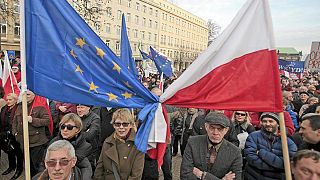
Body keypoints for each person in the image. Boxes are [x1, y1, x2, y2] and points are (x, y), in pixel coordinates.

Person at [180, 112, 243, 180]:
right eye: (212, 128)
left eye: (220, 129)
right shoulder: (193, 143)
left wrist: (203, 175)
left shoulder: (235, 152)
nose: (215, 133)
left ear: (226, 130)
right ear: (206, 127)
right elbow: (185, 175)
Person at [244, 112, 297, 180]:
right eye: (264, 121)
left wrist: (261, 152)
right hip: (255, 176)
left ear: (278, 123)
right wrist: (277, 166)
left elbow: (289, 163)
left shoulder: (287, 141)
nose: (267, 124)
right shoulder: (253, 136)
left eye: (271, 121)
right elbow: (251, 159)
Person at [94, 108, 145, 179]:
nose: (121, 127)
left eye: (125, 124)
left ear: (130, 125)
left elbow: (136, 176)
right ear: (113, 125)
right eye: (118, 124)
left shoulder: (138, 145)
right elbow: (99, 170)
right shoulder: (107, 142)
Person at [12, 90, 50, 177]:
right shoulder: (20, 106)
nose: (26, 96)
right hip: (23, 142)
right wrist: (15, 133)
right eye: (24, 94)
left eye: (28, 94)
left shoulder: (40, 105)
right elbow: (15, 121)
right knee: (29, 166)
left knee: (37, 167)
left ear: (34, 95)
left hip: (37, 143)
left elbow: (47, 121)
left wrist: (33, 120)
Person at [49, 113, 92, 179]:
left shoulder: (85, 146)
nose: (65, 130)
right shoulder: (53, 142)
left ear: (77, 129)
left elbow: (86, 168)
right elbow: (44, 163)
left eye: (69, 127)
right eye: (63, 127)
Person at [0, 93, 23, 179]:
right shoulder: (4, 108)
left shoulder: (19, 109)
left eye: (10, 100)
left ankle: (19, 169)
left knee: (18, 153)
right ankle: (11, 166)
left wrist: (14, 132)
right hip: (4, 134)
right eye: (7, 99)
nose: (8, 101)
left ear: (15, 100)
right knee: (9, 151)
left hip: (15, 134)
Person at [76, 104, 101, 170]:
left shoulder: (95, 118)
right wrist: (84, 132)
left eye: (82, 107)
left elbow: (90, 135)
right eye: (78, 107)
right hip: (76, 150)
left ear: (88, 108)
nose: (79, 110)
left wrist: (74, 133)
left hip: (89, 153)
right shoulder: (74, 117)